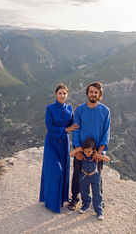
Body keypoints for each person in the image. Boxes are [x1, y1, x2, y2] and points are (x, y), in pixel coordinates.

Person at [68, 81, 111, 211]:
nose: (93, 94)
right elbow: (75, 130)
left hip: (96, 151)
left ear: (99, 94)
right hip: (81, 150)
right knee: (77, 175)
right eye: (91, 92)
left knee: (97, 176)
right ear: (87, 93)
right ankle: (75, 198)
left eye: (96, 92)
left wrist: (99, 153)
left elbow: (106, 132)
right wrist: (77, 151)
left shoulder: (105, 111)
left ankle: (99, 200)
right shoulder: (80, 110)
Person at [39, 83, 79, 213]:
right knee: (55, 170)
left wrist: (80, 112)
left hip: (63, 143)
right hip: (51, 142)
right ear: (56, 94)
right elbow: (49, 127)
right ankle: (51, 202)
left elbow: (74, 123)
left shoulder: (69, 107)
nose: (62, 95)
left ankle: (60, 199)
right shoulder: (49, 108)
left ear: (67, 95)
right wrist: (66, 129)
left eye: (64, 93)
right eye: (60, 93)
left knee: (64, 171)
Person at [69, 138, 110, 220]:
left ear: (93, 150)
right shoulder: (82, 156)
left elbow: (108, 159)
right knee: (84, 192)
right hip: (84, 176)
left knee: (97, 193)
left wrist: (98, 155)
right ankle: (85, 205)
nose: (87, 153)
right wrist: (79, 149)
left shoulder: (95, 157)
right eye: (85, 151)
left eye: (89, 151)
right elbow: (70, 154)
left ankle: (99, 211)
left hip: (94, 176)